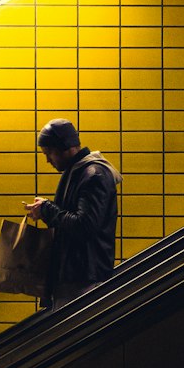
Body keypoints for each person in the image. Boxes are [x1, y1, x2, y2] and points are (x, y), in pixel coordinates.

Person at [23, 118, 122, 310]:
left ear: (65, 146)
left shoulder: (93, 175)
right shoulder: (77, 172)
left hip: (83, 279)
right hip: (76, 276)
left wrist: (48, 209)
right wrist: (46, 211)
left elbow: (84, 225)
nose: (48, 160)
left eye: (49, 153)